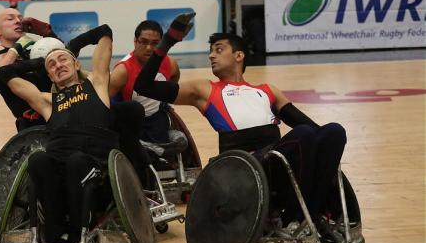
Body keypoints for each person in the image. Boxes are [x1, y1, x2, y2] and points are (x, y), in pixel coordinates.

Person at [134, 13, 347, 225]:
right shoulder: (205, 89)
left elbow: (315, 130)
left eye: (218, 50)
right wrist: (168, 40)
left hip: (279, 156)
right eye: (210, 52)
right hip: (243, 166)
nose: (211, 56)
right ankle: (295, 216)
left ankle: (316, 211)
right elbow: (144, 86)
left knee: (333, 131)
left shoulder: (267, 90)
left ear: (239, 56)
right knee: (304, 135)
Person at [0, 24, 117, 243]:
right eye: (52, 66)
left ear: (76, 64)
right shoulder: (48, 101)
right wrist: (43, 60)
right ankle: (53, 238)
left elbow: (105, 32)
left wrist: (67, 49)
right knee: (38, 160)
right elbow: (5, 73)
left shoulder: (96, 84)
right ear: (48, 74)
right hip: (60, 158)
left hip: (94, 159)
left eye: (64, 61)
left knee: (76, 163)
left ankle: (78, 238)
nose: (58, 65)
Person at [110, 20, 180, 143]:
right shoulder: (122, 71)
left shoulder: (171, 64)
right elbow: (105, 101)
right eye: (144, 42)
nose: (149, 48)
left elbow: (174, 79)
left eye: (155, 43)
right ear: (135, 41)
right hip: (130, 122)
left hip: (156, 117)